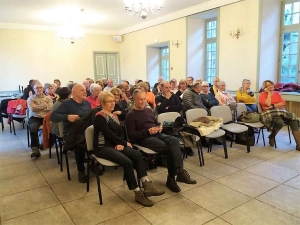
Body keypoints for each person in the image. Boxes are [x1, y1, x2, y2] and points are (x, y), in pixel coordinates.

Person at [94, 91, 165, 207]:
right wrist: (123, 143)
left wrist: (120, 143)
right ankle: (137, 193)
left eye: (113, 101)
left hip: (115, 144)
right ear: (102, 103)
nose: (112, 104)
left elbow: (120, 133)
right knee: (127, 162)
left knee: (137, 155)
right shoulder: (99, 117)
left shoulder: (114, 116)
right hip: (102, 147)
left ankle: (147, 185)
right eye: (109, 102)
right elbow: (108, 134)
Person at [125, 89, 197, 193]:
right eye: (140, 100)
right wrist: (147, 131)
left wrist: (159, 127)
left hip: (157, 134)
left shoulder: (149, 110)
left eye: (144, 99)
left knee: (174, 141)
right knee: (171, 149)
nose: (143, 101)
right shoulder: (130, 115)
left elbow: (155, 123)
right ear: (134, 100)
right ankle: (173, 178)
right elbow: (131, 136)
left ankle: (180, 172)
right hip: (144, 139)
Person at [51, 84, 92, 183]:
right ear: (74, 93)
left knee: (97, 138)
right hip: (72, 132)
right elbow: (53, 116)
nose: (85, 92)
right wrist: (67, 117)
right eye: (82, 90)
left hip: (84, 130)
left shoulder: (87, 103)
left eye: (85, 90)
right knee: (80, 144)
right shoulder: (66, 104)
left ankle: (93, 164)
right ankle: (81, 170)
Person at [259, 80, 300, 150]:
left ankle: (299, 144)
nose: (271, 86)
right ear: (264, 87)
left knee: (294, 121)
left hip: (282, 112)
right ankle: (272, 137)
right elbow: (268, 104)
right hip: (271, 114)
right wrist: (269, 93)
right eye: (268, 85)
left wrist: (273, 105)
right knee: (280, 122)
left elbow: (283, 103)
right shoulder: (262, 95)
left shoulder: (277, 93)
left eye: (271, 84)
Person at [27, 83, 53, 158]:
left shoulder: (48, 98)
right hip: (35, 117)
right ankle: (35, 149)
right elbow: (33, 109)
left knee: (54, 128)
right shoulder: (31, 98)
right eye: (37, 88)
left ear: (43, 88)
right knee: (33, 128)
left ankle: (45, 144)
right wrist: (45, 105)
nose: (39, 89)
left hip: (46, 117)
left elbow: (50, 108)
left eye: (40, 87)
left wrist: (37, 107)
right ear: (34, 89)